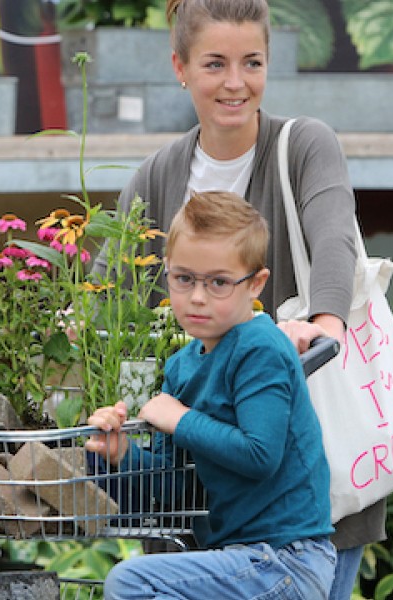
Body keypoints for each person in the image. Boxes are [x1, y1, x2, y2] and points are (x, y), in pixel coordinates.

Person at [91, 0, 386, 597]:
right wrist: (129, 420)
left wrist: (321, 325)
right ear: (180, 66)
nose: (235, 83)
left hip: (302, 469)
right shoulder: (155, 176)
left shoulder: (301, 144)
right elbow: (109, 301)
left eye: (251, 62)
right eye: (215, 64)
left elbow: (334, 235)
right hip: (203, 473)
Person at [86, 190, 335, 599]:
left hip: (288, 559)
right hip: (243, 560)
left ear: (255, 283)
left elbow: (261, 455)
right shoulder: (181, 367)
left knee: (131, 583)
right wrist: (123, 454)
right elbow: (179, 490)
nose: (197, 296)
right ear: (166, 272)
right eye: (184, 279)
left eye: (219, 282)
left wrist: (179, 418)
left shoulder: (260, 348)